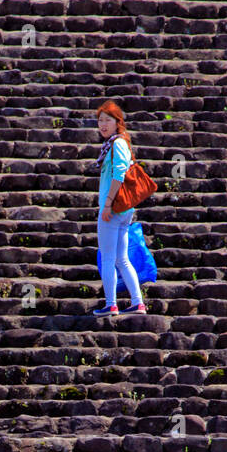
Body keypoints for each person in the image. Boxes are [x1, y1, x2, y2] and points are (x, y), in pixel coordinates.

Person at [93, 100, 145, 318]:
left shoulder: (117, 143)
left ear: (118, 123)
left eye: (108, 120)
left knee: (108, 257)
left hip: (113, 208)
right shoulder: (116, 143)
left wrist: (107, 204)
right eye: (100, 120)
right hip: (122, 210)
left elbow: (120, 173)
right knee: (121, 258)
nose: (103, 125)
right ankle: (137, 302)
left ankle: (111, 304)